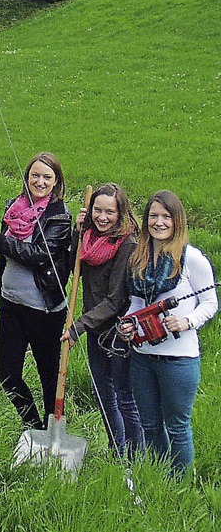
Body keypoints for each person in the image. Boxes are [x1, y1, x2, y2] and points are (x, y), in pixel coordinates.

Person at [119, 190, 217, 477]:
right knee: (149, 424)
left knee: (176, 425)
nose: (159, 223)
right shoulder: (139, 256)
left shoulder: (191, 259)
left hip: (179, 359)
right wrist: (128, 324)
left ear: (177, 221)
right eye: (153, 216)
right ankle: (159, 478)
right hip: (142, 358)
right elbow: (136, 302)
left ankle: (180, 485)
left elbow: (210, 303)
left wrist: (187, 321)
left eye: (166, 217)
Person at [0, 152, 72, 429]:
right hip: (11, 304)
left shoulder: (59, 218)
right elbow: (6, 249)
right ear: (27, 177)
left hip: (44, 310)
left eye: (47, 177)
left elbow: (39, 254)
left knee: (49, 379)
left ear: (56, 182)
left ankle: (52, 431)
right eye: (35, 175)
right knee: (7, 375)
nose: (40, 182)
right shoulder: (14, 208)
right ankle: (34, 426)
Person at [61, 183, 144, 457]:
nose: (103, 217)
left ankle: (135, 455)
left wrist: (78, 328)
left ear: (121, 213)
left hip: (120, 333)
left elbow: (115, 300)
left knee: (124, 396)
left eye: (110, 212)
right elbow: (75, 264)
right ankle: (116, 449)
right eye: (98, 210)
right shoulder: (90, 237)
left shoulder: (127, 244)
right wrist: (78, 230)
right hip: (97, 328)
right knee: (102, 392)